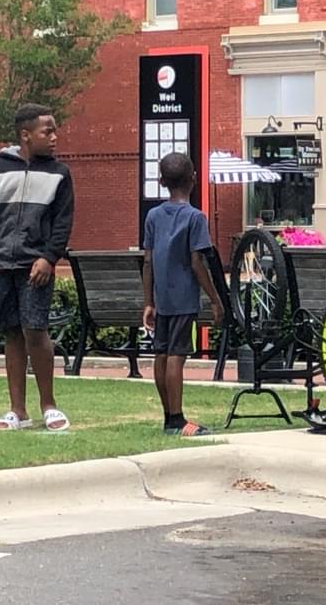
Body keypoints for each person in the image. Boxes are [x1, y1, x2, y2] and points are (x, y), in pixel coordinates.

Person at [0, 103, 74, 432]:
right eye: (46, 131)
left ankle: (49, 406)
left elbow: (63, 223)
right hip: (1, 265)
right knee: (12, 333)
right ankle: (18, 411)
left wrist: (49, 257)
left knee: (36, 331)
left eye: (54, 130)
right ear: (26, 135)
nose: (54, 137)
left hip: (35, 266)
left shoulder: (59, 174)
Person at [142, 153, 224, 437]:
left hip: (161, 297)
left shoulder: (153, 216)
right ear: (193, 179)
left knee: (161, 354)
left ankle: (168, 416)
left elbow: (148, 260)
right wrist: (215, 299)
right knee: (177, 355)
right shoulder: (195, 217)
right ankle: (177, 419)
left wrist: (148, 301)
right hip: (184, 297)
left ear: (161, 181)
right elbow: (197, 262)